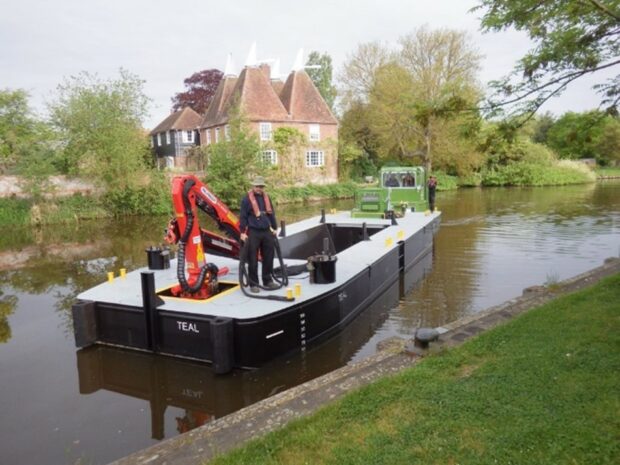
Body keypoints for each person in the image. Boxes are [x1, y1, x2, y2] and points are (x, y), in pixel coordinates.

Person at [239, 176, 279, 293]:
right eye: (257, 186)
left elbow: (271, 213)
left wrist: (275, 227)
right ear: (253, 186)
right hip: (253, 232)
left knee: (269, 256)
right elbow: (243, 216)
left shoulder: (267, 198)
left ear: (263, 187)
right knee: (253, 258)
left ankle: (267, 280)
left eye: (261, 186)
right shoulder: (246, 199)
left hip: (266, 231)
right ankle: (253, 283)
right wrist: (242, 232)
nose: (258, 188)